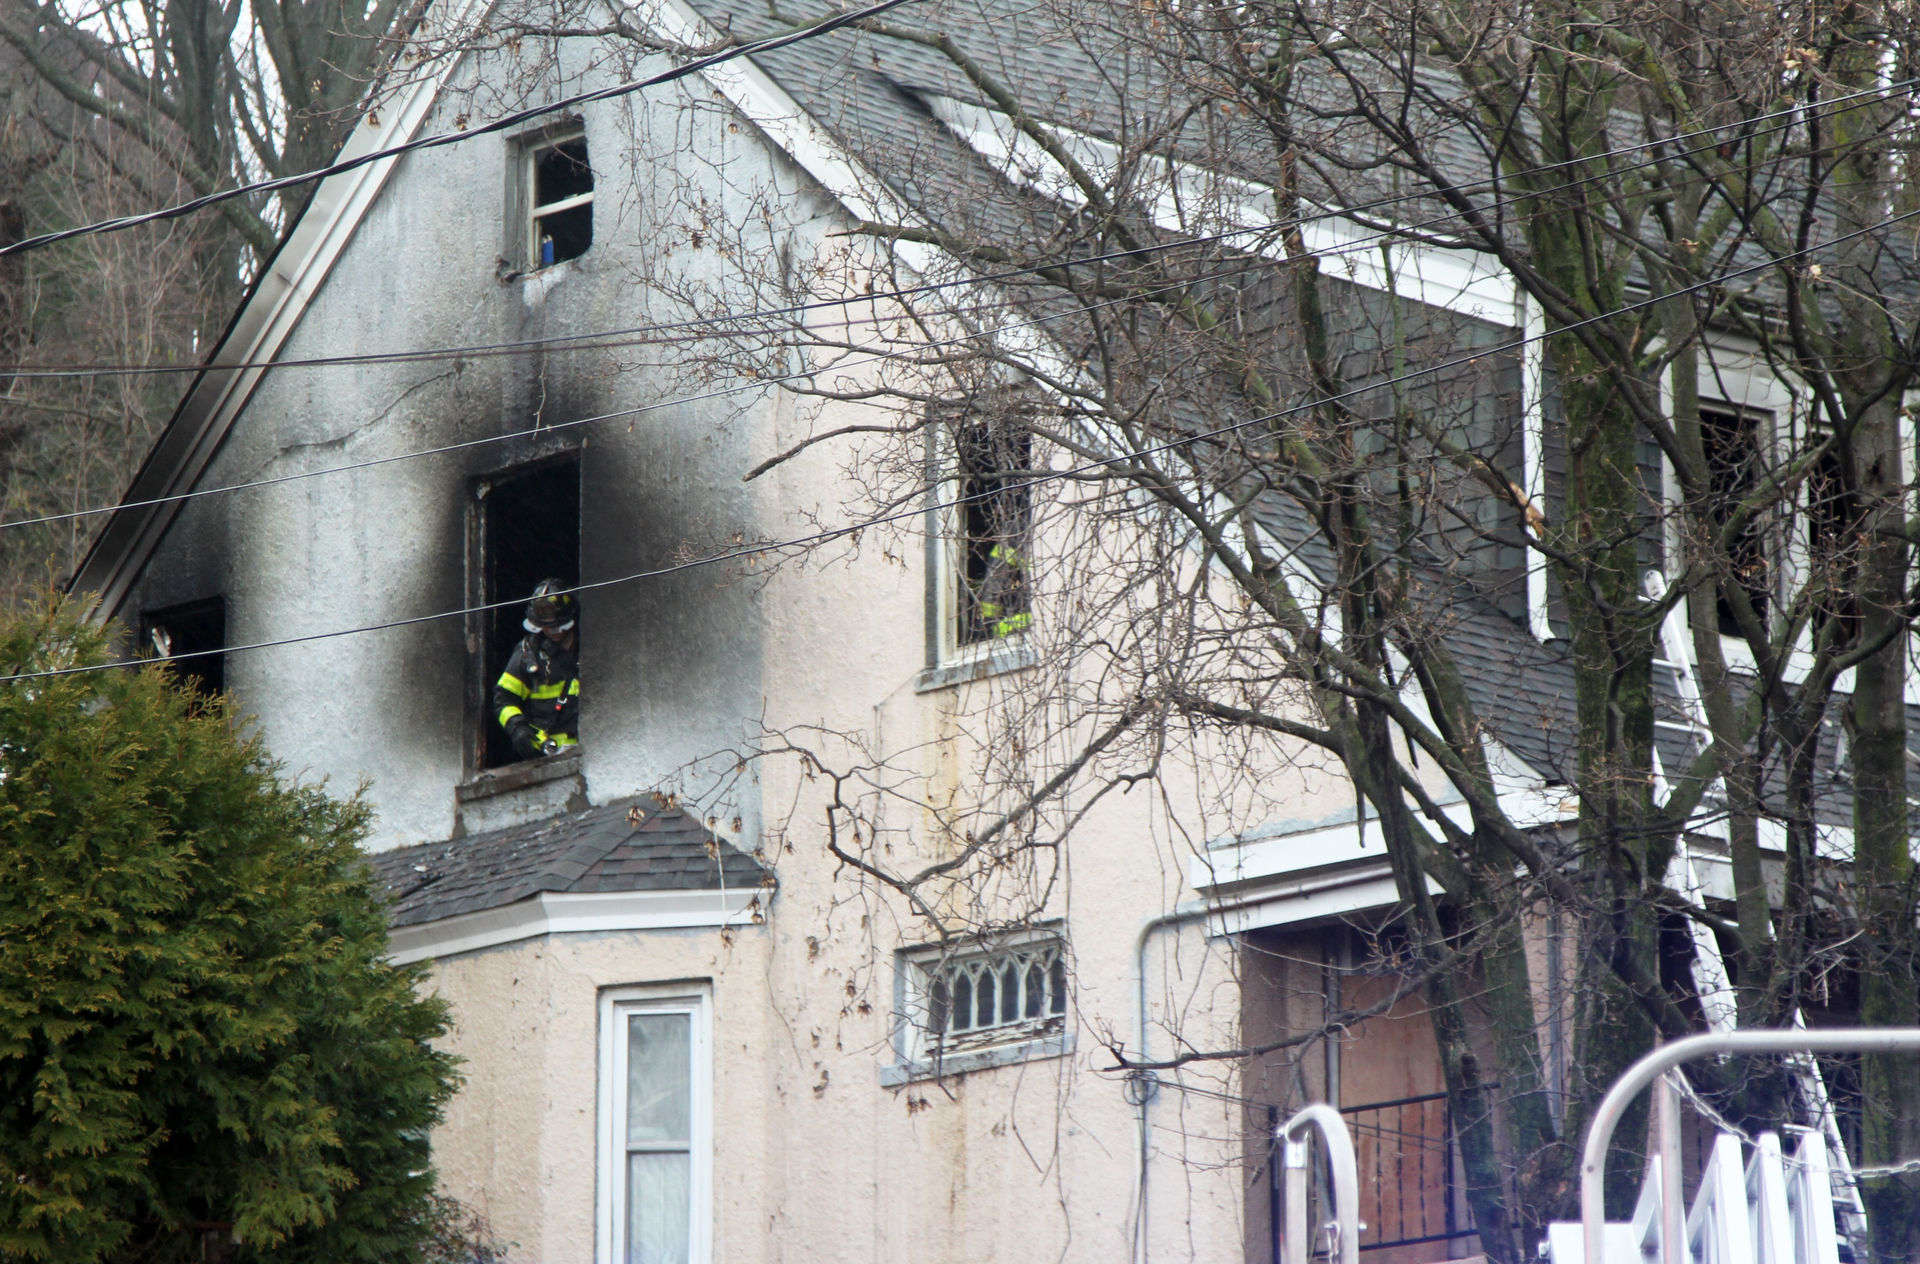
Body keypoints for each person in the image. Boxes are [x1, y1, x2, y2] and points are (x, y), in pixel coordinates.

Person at [494, 578, 579, 760]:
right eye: (546, 627)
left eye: (556, 626)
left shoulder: (587, 647)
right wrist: (518, 728)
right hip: (546, 753)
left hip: (590, 747)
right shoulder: (527, 654)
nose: (552, 631)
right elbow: (504, 700)